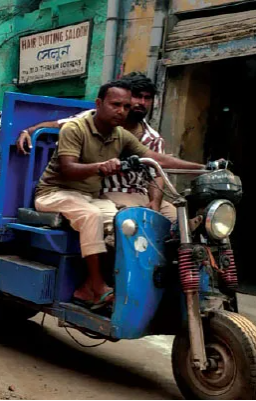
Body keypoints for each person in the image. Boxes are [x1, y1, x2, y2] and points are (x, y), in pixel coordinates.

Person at [33, 80, 204, 310]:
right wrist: (100, 166)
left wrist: (202, 167)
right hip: (54, 193)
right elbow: (68, 168)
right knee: (91, 216)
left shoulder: (120, 134)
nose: (121, 111)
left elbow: (157, 158)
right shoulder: (76, 128)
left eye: (125, 106)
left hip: (90, 197)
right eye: (115, 105)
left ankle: (118, 284)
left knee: (124, 225)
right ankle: (95, 288)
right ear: (99, 103)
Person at [16, 73, 176, 222]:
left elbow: (156, 174)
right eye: (137, 97)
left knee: (176, 221)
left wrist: (155, 202)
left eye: (147, 98)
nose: (142, 103)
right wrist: (29, 130)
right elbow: (59, 124)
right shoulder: (97, 121)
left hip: (142, 193)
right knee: (135, 220)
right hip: (111, 192)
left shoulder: (153, 138)